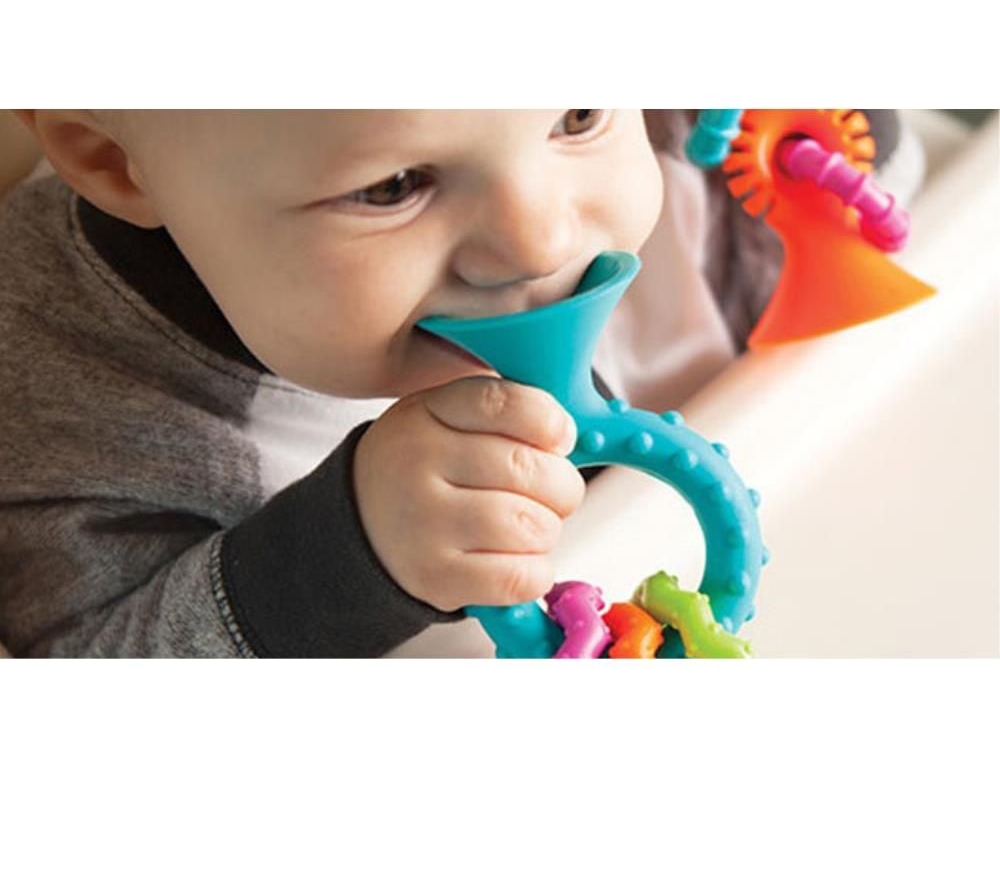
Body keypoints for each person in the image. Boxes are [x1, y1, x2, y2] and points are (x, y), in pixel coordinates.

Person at [0, 109, 919, 657]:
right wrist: (350, 554)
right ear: (113, 162)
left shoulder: (695, 128)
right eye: (396, 185)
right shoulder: (65, 385)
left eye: (578, 116)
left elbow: (898, 171)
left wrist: (829, 152)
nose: (541, 241)